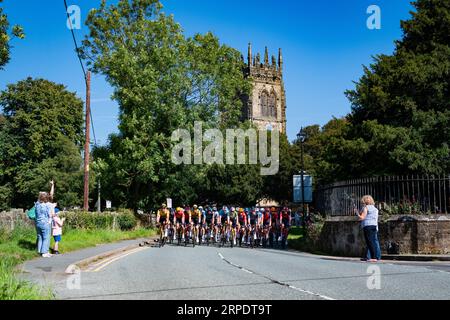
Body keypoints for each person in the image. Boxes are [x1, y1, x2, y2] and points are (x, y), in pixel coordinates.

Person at [357, 195, 381, 262]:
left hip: (367, 226)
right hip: (374, 225)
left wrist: (357, 214)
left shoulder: (366, 208)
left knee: (369, 242)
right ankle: (374, 256)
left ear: (365, 201)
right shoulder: (375, 209)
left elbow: (362, 217)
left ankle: (373, 257)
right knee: (373, 241)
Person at [35, 191, 53, 258]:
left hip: (38, 222)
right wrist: (49, 221)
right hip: (45, 222)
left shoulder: (37, 205)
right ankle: (44, 252)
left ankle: (39, 251)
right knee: (46, 237)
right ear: (45, 198)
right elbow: (49, 215)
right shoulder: (46, 205)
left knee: (40, 237)